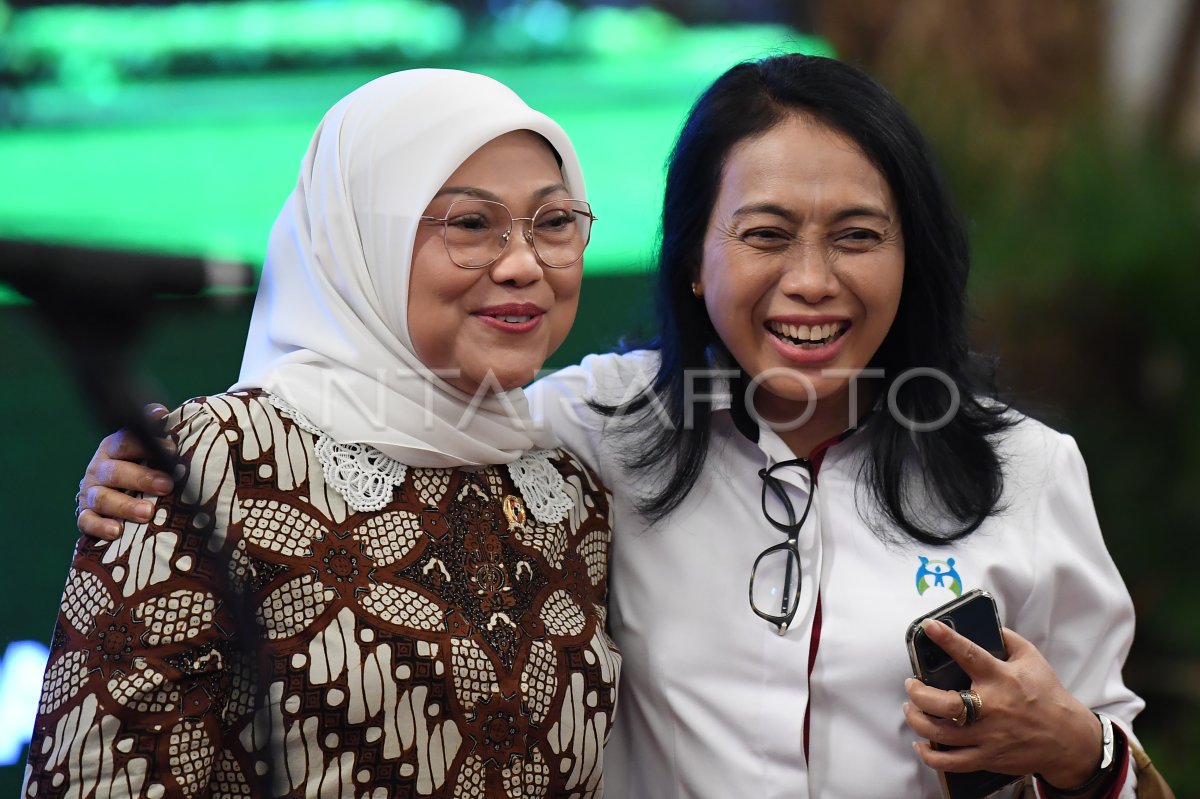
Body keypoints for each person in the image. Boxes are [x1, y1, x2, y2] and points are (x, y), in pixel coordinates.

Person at [72, 54, 1147, 797]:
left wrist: (1079, 749)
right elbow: (386, 406)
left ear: (911, 258)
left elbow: (1128, 769)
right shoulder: (589, 431)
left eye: (859, 235)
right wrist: (152, 459)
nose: (811, 283)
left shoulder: (1027, 471)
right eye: (765, 234)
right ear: (693, 255)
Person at [26, 68, 621, 798]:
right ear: (361, 239)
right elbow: (96, 777)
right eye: (471, 224)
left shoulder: (569, 492)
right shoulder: (222, 460)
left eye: (555, 222)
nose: (526, 262)